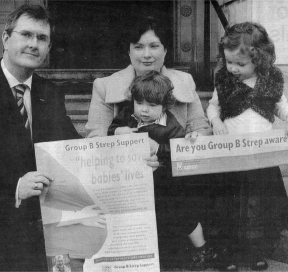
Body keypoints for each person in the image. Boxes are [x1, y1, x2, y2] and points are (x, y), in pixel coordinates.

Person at [85, 15, 218, 270]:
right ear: (129, 50)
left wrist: (188, 143)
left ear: (166, 50)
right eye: (139, 47)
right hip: (124, 180)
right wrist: (119, 139)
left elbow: (200, 128)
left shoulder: (183, 81)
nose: (147, 55)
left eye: (154, 46)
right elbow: (94, 137)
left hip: (174, 177)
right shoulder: (105, 86)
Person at [0, 4, 82, 271]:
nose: (34, 44)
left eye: (42, 38)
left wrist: (125, 146)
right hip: (2, 240)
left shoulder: (50, 93)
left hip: (53, 238)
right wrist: (15, 189)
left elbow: (75, 149)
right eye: (26, 35)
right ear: (5, 38)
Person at [207, 21, 288, 271]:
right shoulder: (224, 80)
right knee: (229, 206)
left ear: (259, 59)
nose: (233, 68)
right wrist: (215, 121)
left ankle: (255, 250)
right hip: (231, 157)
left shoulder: (270, 80)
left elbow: (281, 105)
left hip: (261, 159)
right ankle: (229, 253)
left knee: (259, 207)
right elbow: (213, 106)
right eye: (229, 62)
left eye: (241, 64)